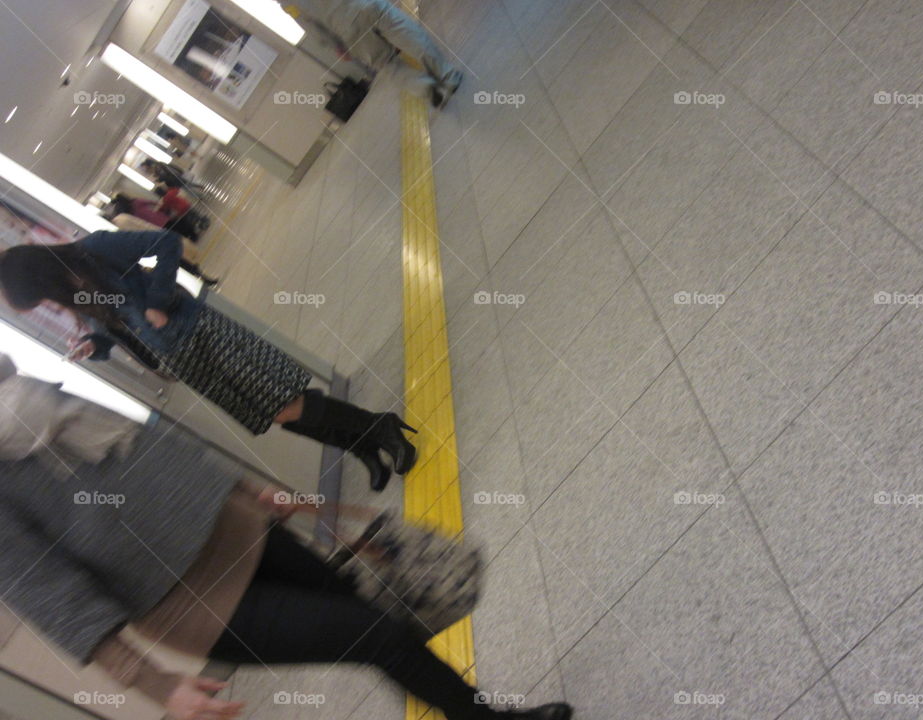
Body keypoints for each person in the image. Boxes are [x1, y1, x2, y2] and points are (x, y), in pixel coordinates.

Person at [0, 360, 573, 720]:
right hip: (196, 604)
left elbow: (154, 451)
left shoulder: (32, 394)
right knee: (374, 634)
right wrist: (152, 683)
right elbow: (45, 589)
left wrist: (253, 490)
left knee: (384, 629)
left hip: (242, 527)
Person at [0, 230, 414, 491]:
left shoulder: (93, 251)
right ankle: (362, 446)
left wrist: (159, 300)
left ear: (41, 278)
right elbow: (117, 335)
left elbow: (166, 243)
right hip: (181, 361)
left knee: (284, 400)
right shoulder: (76, 300)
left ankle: (380, 427)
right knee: (275, 416)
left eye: (42, 297)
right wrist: (96, 346)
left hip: (201, 332)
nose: (49, 304)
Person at [287, 0, 463, 108]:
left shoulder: (287, 3)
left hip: (347, 31)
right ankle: (447, 75)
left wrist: (337, 47)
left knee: (385, 64)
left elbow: (313, 28)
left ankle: (428, 89)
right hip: (365, 4)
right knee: (408, 35)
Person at [104, 197, 219, 286]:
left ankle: (201, 279)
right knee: (181, 260)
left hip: (152, 248)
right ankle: (202, 277)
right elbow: (145, 224)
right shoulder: (125, 217)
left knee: (179, 263)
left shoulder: (118, 227)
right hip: (156, 238)